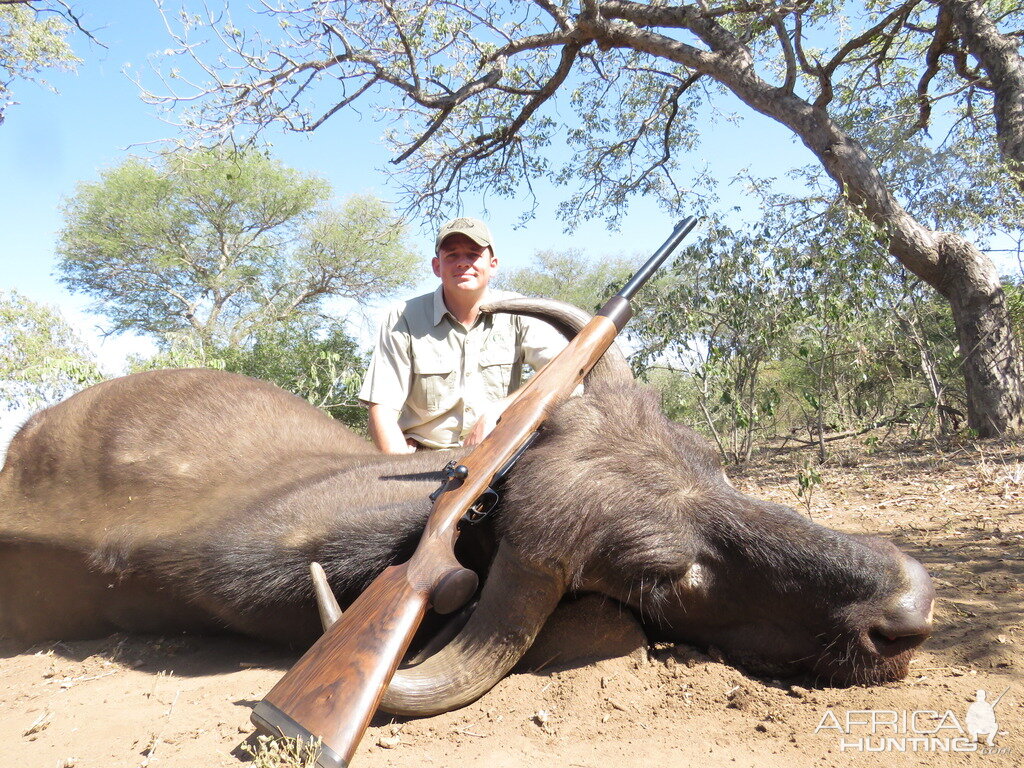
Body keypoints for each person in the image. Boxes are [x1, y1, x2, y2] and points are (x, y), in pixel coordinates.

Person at [358, 217, 568, 453]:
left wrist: (500, 411)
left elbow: (566, 373)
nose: (463, 263)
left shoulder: (521, 312)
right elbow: (382, 409)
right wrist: (398, 470)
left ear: (493, 265)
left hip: (499, 454)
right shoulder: (402, 317)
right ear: (437, 267)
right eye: (452, 255)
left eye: (473, 254)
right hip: (423, 458)